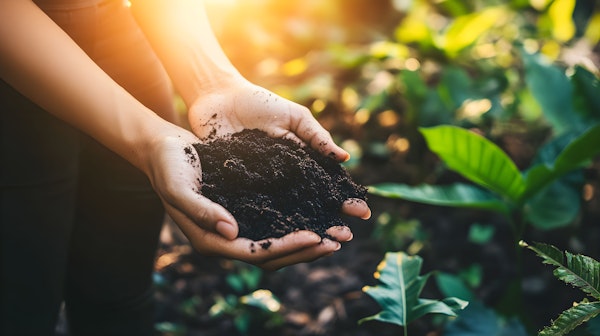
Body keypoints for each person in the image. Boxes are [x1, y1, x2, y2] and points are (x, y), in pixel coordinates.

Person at [0, 0, 371, 334]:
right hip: (11, 71)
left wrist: (213, 83)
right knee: (21, 304)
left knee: (121, 291)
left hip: (120, 42)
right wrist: (148, 140)